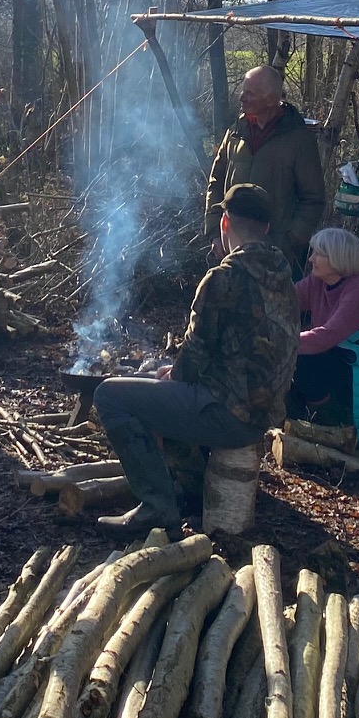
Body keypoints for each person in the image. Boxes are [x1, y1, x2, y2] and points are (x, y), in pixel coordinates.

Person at [92, 184, 299, 533]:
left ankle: (157, 507)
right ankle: (189, 491)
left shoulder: (224, 277)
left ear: (224, 223)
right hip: (264, 414)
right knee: (156, 386)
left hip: (228, 415)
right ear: (265, 228)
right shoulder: (284, 278)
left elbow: (193, 357)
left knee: (110, 395)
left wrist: (172, 373)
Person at [205, 65, 323, 273]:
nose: (242, 98)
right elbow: (216, 183)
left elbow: (313, 199)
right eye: (243, 91)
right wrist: (215, 232)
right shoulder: (235, 132)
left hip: (276, 260)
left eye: (250, 93)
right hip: (230, 252)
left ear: (271, 99)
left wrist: (288, 242)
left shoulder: (299, 139)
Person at [289, 227, 359, 443]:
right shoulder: (317, 282)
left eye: (318, 254)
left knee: (303, 362)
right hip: (338, 361)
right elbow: (286, 299)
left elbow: (328, 336)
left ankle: (334, 425)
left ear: (337, 257)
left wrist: (283, 343)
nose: (311, 259)